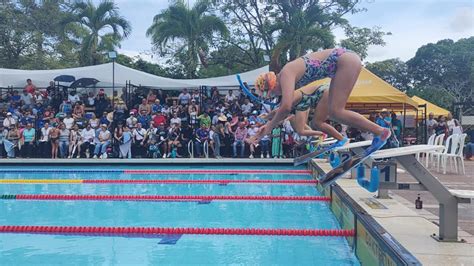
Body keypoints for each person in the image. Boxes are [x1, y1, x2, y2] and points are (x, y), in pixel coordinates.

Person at [252, 48, 390, 153]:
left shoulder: (285, 73)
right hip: (340, 64)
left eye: (272, 93)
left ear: (273, 85)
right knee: (334, 112)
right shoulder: (287, 76)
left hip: (345, 60)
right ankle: (378, 132)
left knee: (336, 112)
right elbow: (284, 107)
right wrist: (269, 123)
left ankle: (380, 131)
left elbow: (286, 107)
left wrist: (268, 127)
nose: (276, 95)